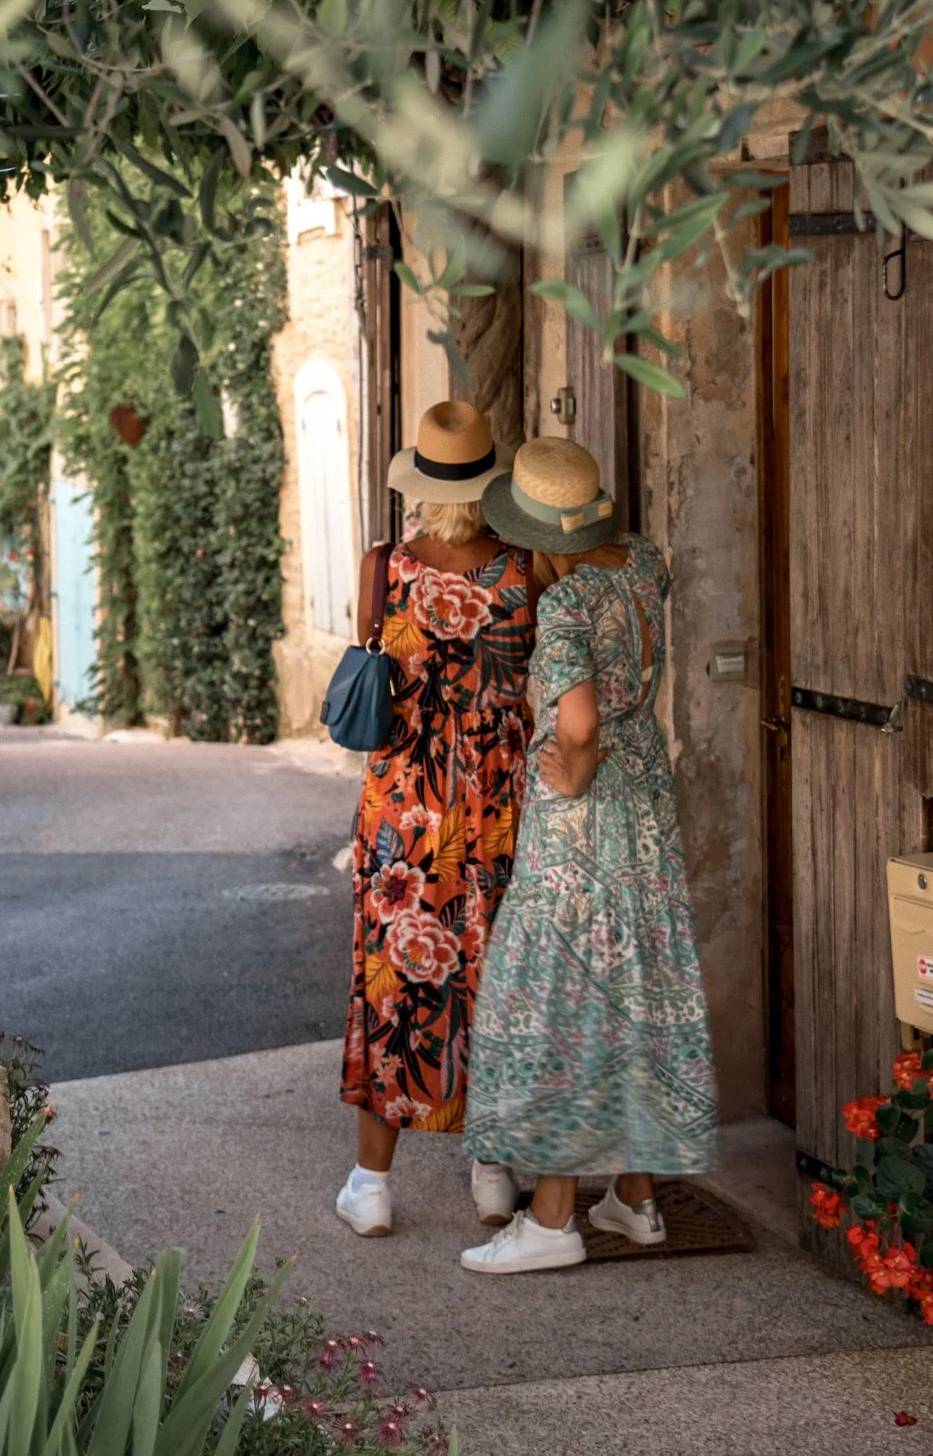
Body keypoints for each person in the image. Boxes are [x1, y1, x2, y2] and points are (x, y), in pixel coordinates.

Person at [458, 437, 719, 1274]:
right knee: (630, 981)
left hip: (585, 817)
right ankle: (636, 1199)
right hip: (647, 802)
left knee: (565, 996)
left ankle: (552, 1219)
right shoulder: (644, 561)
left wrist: (568, 771)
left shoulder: (566, 604)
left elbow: (576, 724)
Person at [337, 400, 537, 1238]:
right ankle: (491, 1173)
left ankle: (372, 1186)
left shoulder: (385, 566)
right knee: (491, 974)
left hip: (405, 809)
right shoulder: (525, 569)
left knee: (395, 978)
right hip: (495, 802)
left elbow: (370, 659)